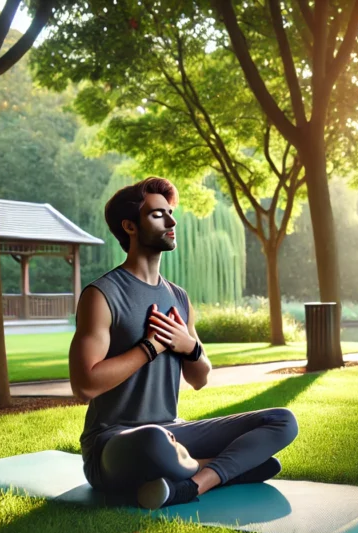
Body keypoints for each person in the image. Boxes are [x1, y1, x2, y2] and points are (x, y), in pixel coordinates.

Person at [68, 177, 298, 509]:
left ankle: (189, 486)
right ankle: (226, 468)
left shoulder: (178, 297)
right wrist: (150, 347)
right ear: (130, 226)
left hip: (175, 431)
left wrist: (188, 346)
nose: (172, 221)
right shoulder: (101, 295)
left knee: (282, 420)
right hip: (113, 444)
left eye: (171, 212)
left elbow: (200, 378)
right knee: (154, 441)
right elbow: (84, 385)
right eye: (159, 215)